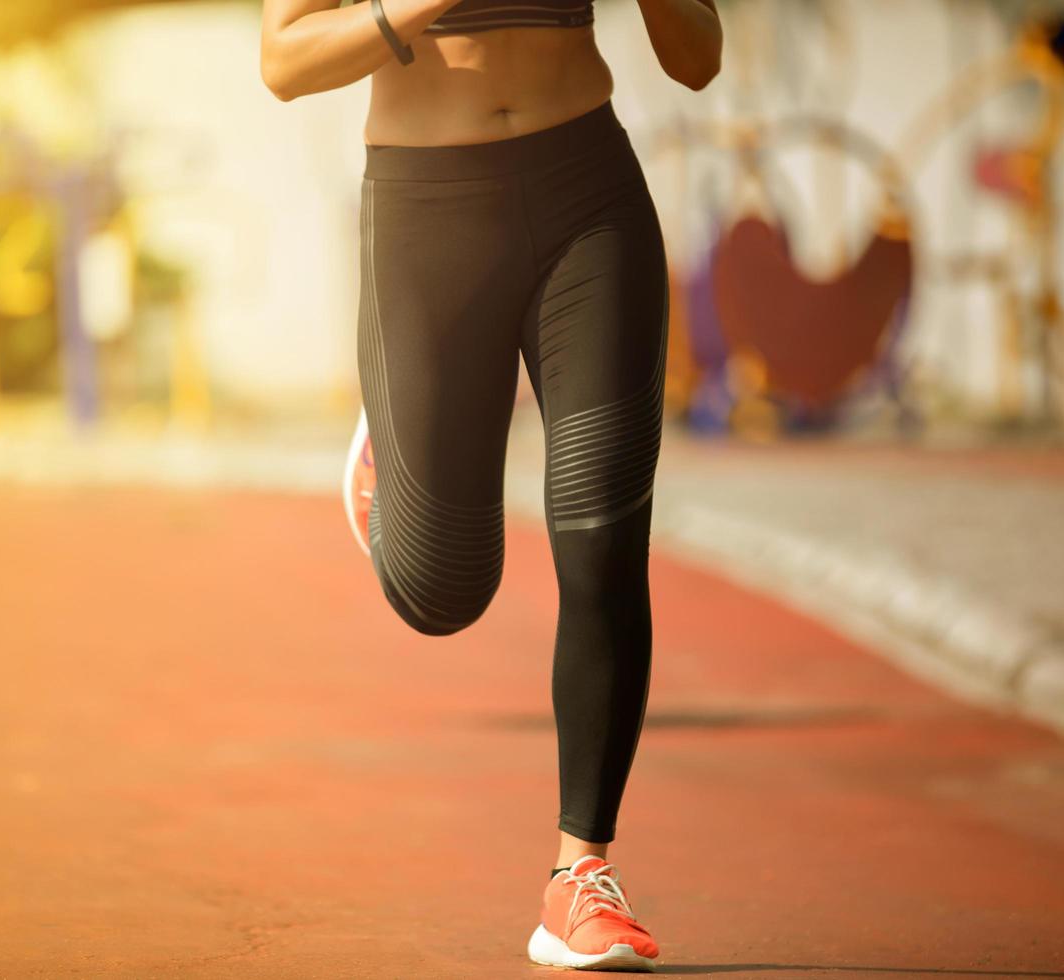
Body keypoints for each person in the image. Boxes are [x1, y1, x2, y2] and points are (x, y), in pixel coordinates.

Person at [260, 0, 720, 969]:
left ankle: (579, 874)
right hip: (430, 207)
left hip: (587, 195)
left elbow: (697, 59)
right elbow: (285, 59)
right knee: (440, 588)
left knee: (600, 534)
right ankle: (393, 445)